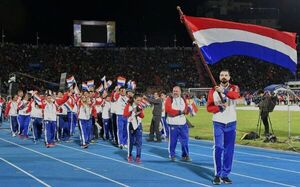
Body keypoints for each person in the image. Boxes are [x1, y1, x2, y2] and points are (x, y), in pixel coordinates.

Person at [207, 69, 240, 185]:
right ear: (219, 77)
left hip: (231, 123)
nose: (224, 77)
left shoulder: (234, 87)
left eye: (226, 75)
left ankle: (225, 175)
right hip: (218, 122)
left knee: (229, 150)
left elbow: (235, 96)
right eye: (222, 75)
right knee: (219, 147)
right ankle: (217, 174)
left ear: (229, 77)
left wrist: (224, 91)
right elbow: (209, 108)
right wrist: (219, 108)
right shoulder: (213, 90)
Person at [165, 86, 191, 162]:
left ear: (180, 92)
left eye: (177, 91)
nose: (175, 92)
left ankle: (185, 155)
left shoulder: (183, 99)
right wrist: (180, 112)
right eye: (174, 91)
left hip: (183, 123)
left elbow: (186, 111)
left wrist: (189, 109)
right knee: (173, 141)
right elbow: (168, 110)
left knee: (185, 141)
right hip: (173, 124)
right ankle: (172, 155)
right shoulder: (169, 99)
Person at [123, 93, 144, 163]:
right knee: (131, 141)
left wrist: (139, 113)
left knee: (139, 142)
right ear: (134, 99)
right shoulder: (129, 105)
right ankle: (129, 155)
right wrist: (132, 111)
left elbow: (142, 116)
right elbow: (125, 114)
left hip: (138, 125)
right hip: (131, 124)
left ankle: (138, 156)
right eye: (137, 100)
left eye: (140, 100)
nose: (139, 102)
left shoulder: (140, 106)